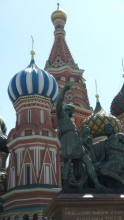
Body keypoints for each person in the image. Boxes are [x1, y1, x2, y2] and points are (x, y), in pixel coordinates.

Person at [56, 82, 105, 189]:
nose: (72, 113)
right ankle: (65, 185)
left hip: (76, 142)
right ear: (66, 110)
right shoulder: (61, 117)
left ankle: (96, 183)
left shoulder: (71, 122)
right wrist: (64, 90)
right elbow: (59, 104)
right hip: (68, 142)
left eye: (73, 111)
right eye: (71, 110)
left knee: (87, 161)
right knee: (67, 163)